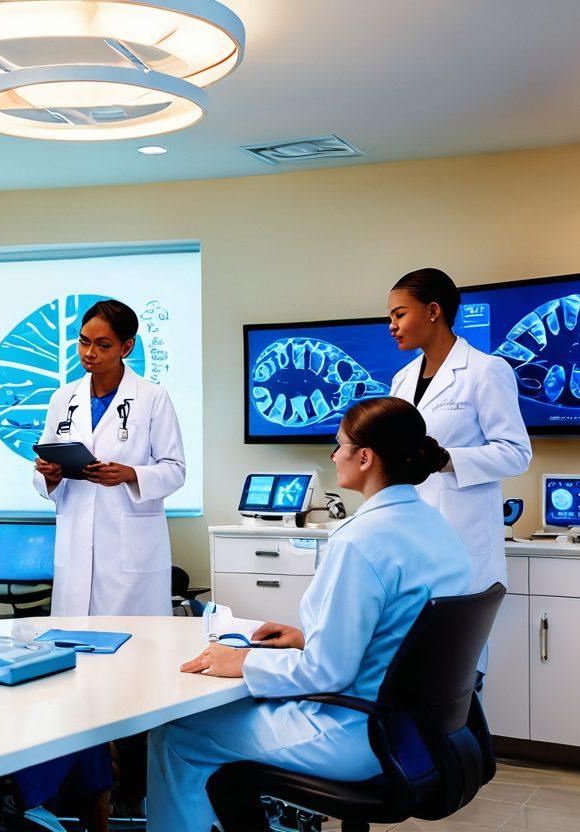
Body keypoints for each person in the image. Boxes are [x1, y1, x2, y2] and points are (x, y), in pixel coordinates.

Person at [146, 397, 471, 832]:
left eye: (339, 445)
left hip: (357, 733)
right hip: (415, 732)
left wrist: (244, 660)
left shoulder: (359, 541)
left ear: (366, 457)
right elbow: (400, 637)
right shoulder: (437, 529)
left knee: (175, 737)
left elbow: (326, 674)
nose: (334, 455)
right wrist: (305, 638)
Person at [33, 299, 186, 617]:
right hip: (75, 540)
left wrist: (130, 474)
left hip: (129, 548)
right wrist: (49, 474)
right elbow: (44, 468)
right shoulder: (63, 398)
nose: (90, 353)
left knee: (135, 646)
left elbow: (175, 470)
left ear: (126, 347)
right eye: (84, 342)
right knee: (75, 647)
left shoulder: (151, 397)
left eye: (103, 345)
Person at [388, 267, 532, 596]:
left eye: (400, 314)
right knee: (412, 643)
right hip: (409, 534)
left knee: (458, 644)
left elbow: (516, 454)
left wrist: (444, 459)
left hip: (463, 540)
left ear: (433, 311)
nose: (392, 326)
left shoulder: (487, 370)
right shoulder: (402, 379)